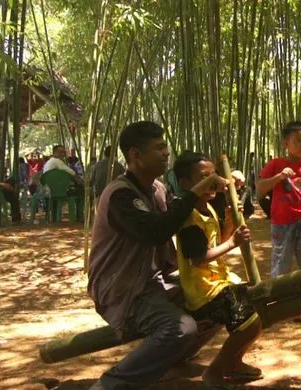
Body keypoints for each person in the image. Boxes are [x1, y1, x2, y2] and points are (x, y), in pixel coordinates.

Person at [86, 121, 227, 389]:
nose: (166, 153)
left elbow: (185, 212)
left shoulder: (158, 189)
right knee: (180, 328)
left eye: (166, 147)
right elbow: (155, 232)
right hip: (121, 289)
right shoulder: (120, 196)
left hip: (151, 282)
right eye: (159, 148)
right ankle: (110, 385)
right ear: (135, 156)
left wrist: (219, 191)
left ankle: (171, 358)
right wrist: (195, 191)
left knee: (219, 299)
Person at [173, 152, 263, 386]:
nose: (212, 181)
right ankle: (216, 370)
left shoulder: (209, 208)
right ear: (185, 184)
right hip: (204, 289)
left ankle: (234, 363)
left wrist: (230, 224)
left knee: (256, 313)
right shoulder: (189, 218)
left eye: (213, 175)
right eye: (204, 177)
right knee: (248, 323)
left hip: (219, 281)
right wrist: (232, 243)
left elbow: (217, 242)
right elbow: (198, 259)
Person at [256, 121, 301, 322]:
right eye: (298, 141)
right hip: (282, 223)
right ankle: (279, 304)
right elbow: (260, 189)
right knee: (281, 263)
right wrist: (278, 177)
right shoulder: (275, 165)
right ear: (286, 143)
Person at [0, 146, 22, 223]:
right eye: (1, 154)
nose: (2, 157)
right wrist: (2, 184)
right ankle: (16, 219)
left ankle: (16, 219)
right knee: (13, 192)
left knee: (12, 188)